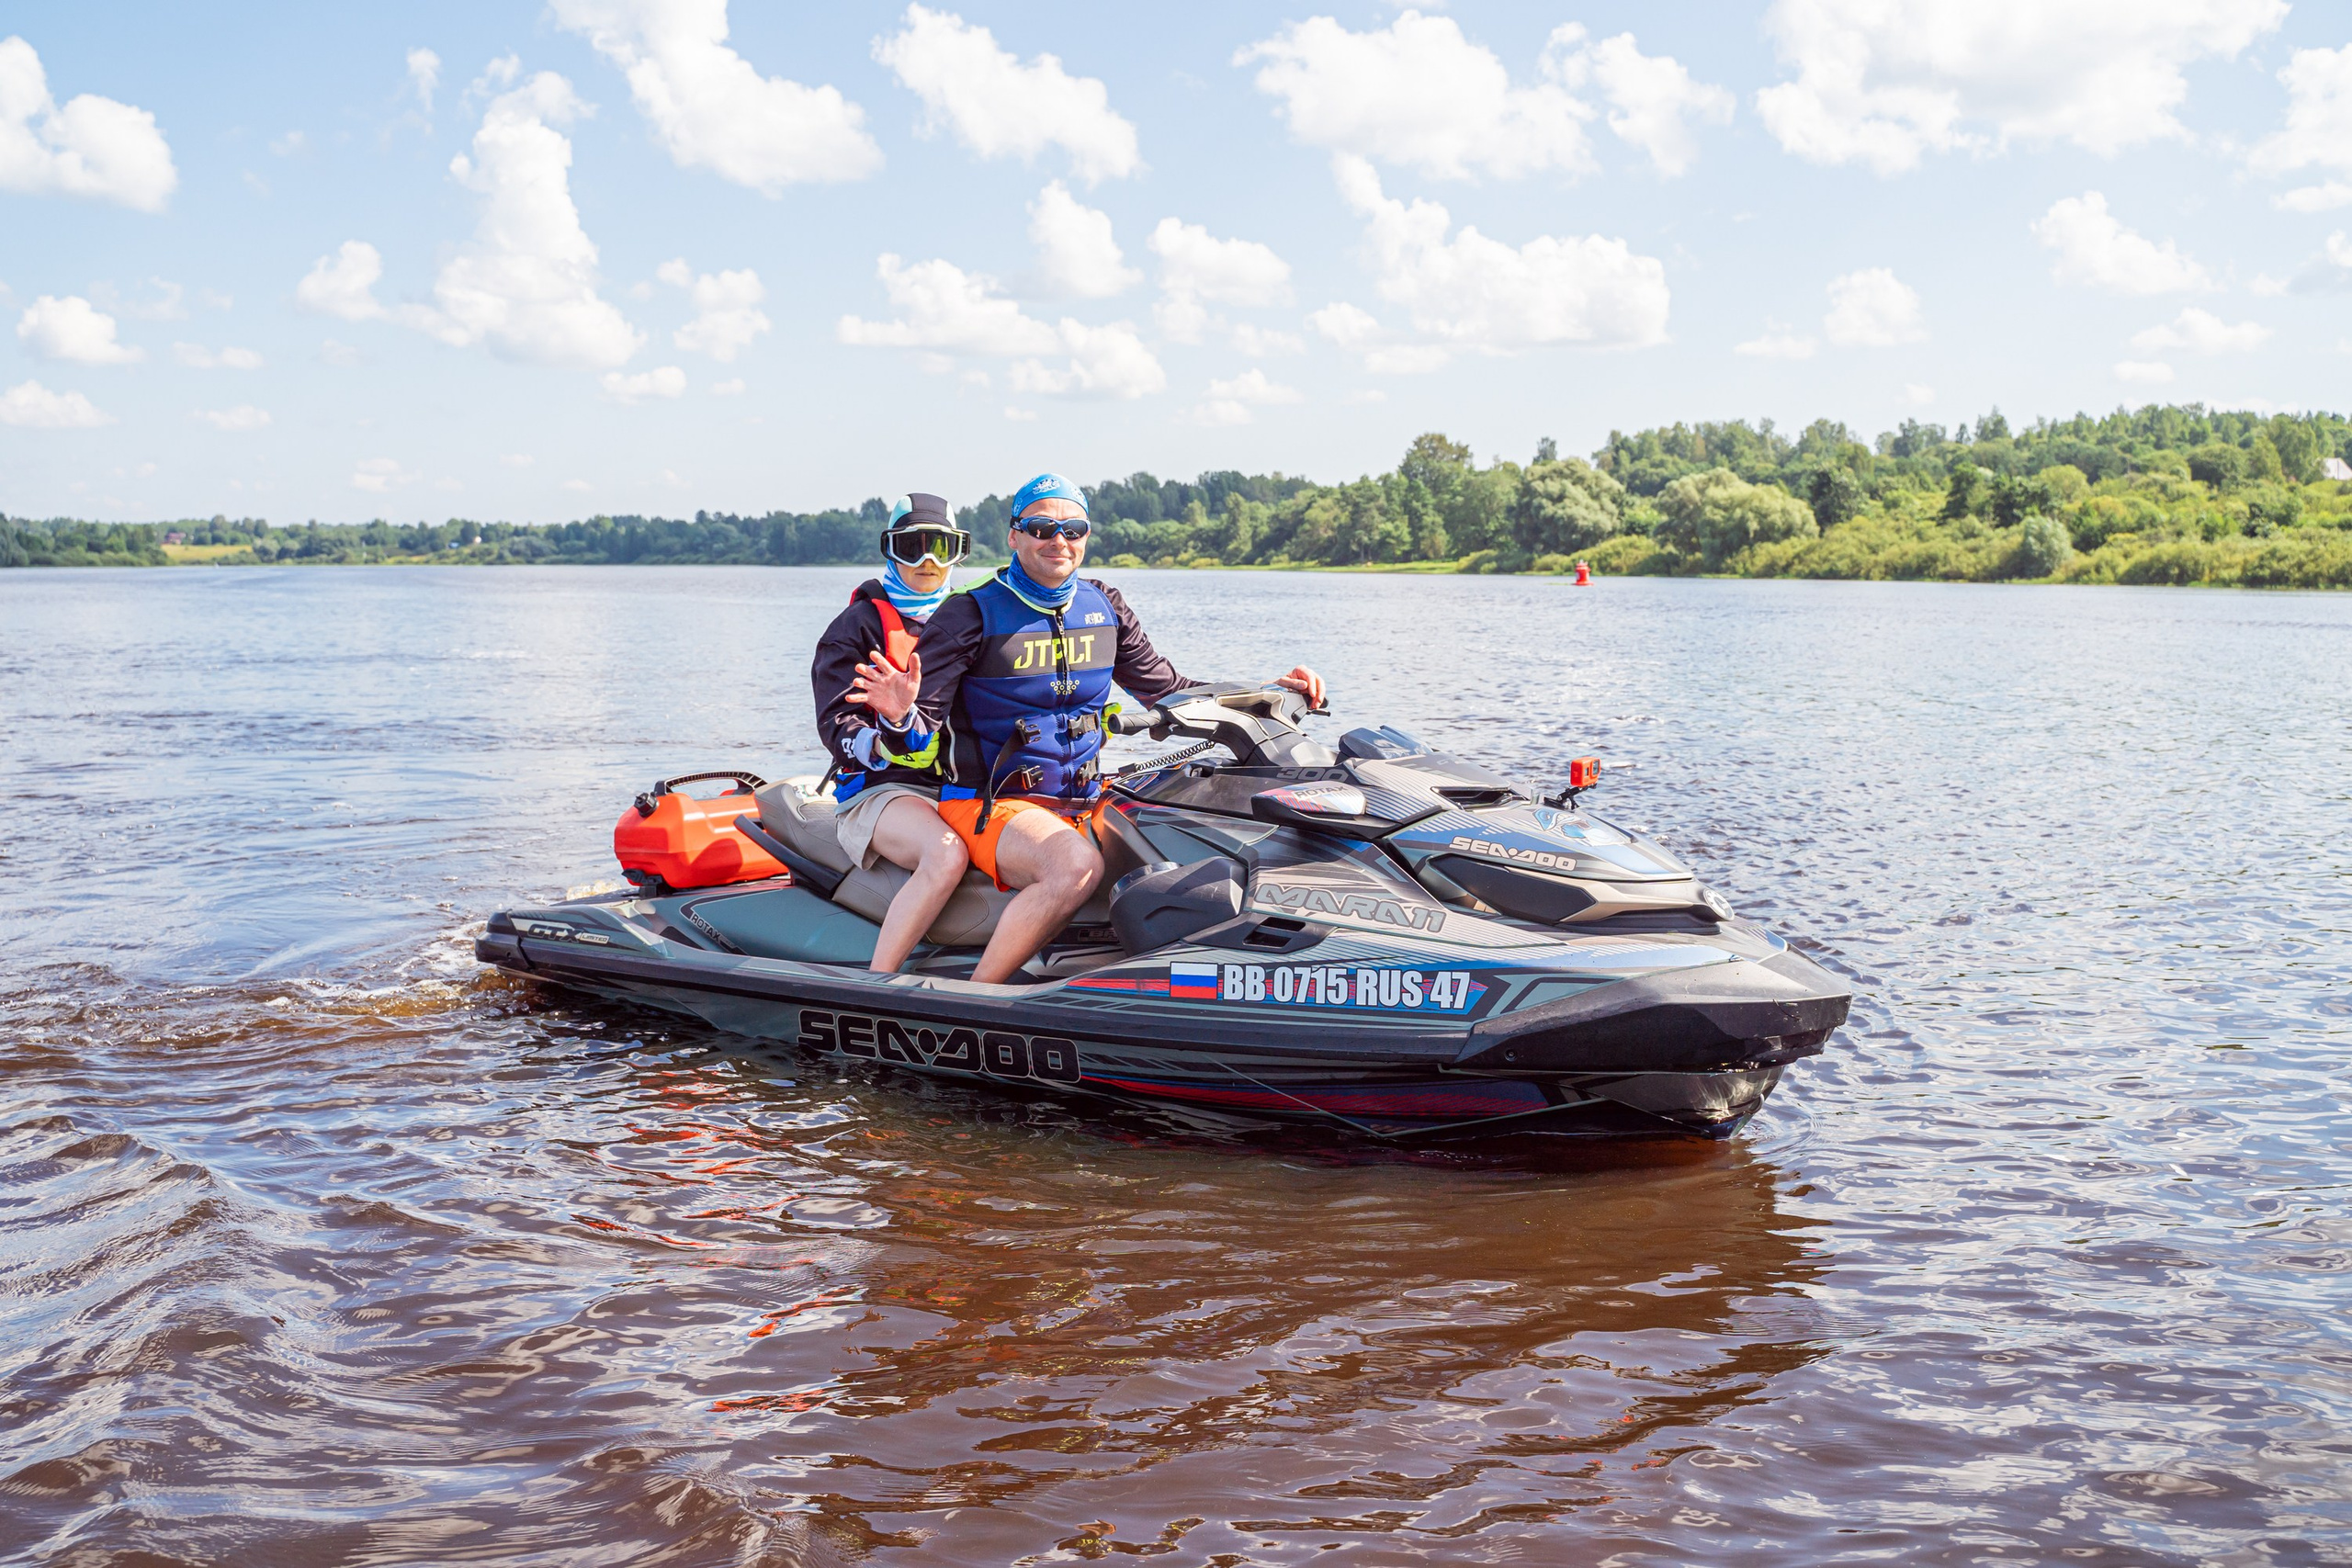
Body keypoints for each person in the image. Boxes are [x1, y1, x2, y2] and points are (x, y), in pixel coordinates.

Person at [856, 472, 1324, 985]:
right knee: (1074, 868)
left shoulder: (1104, 606)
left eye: (1073, 529)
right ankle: (975, 998)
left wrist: (1267, 690)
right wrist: (897, 715)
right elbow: (915, 738)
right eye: (1041, 528)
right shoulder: (969, 613)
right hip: (987, 804)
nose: (1058, 540)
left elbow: (1170, 690)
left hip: (1085, 797)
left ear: (1086, 537)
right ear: (1014, 535)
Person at [809, 492, 973, 974]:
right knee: (946, 856)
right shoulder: (854, 627)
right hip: (880, 791)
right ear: (889, 549)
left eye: (941, 548)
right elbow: (837, 724)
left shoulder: (971, 618)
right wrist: (886, 733)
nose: (928, 562)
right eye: (912, 547)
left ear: (958, 552)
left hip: (958, 785)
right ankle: (877, 983)